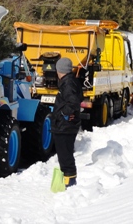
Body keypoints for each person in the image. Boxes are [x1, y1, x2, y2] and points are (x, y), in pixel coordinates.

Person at [51, 57, 83, 188]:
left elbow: (73, 102)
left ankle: (70, 182)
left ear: (60, 70)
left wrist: (64, 114)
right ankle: (67, 180)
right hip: (64, 125)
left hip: (65, 126)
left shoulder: (68, 83)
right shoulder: (68, 81)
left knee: (65, 155)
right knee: (64, 154)